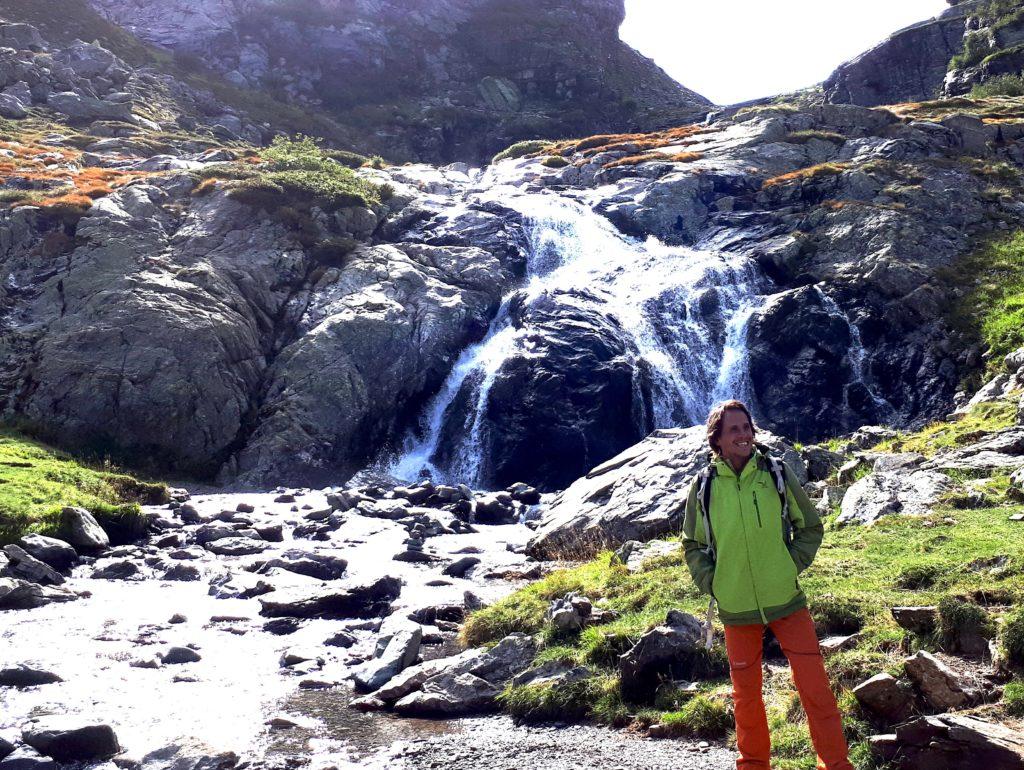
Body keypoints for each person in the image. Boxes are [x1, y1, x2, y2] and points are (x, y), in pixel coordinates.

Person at [681, 399, 853, 770]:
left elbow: (809, 526)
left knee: (816, 690)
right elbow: (693, 544)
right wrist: (715, 584)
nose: (743, 435)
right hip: (736, 605)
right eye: (734, 430)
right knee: (746, 698)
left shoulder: (775, 472)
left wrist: (789, 565)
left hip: (786, 599)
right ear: (718, 439)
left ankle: (836, 765)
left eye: (746, 427)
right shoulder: (704, 485)